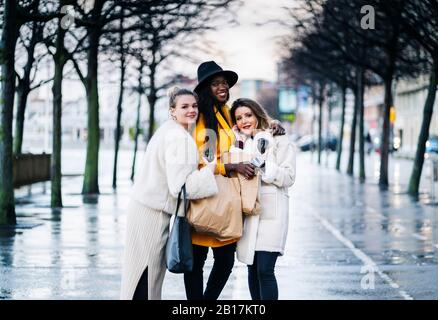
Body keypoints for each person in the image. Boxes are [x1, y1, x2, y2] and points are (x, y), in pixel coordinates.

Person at [183, 61, 286, 300]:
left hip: (227, 200)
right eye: (216, 83)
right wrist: (232, 165)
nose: (222, 87)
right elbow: (206, 162)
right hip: (206, 198)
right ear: (205, 88)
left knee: (225, 262)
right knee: (197, 264)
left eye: (224, 84)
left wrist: (272, 125)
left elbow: (248, 124)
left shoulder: (225, 113)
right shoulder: (203, 121)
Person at [120, 88, 218, 300]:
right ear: (172, 110)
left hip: (145, 208)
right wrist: (208, 172)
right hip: (153, 214)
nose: (191, 110)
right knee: (146, 276)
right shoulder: (178, 138)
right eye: (184, 106)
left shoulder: (168, 130)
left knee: (138, 275)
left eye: (194, 106)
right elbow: (180, 186)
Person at [230, 98, 296, 300]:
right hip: (248, 215)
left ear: (257, 114)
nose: (244, 120)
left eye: (248, 115)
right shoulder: (238, 142)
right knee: (252, 269)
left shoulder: (278, 138)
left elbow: (289, 177)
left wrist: (264, 166)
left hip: (272, 215)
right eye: (239, 117)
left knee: (265, 270)